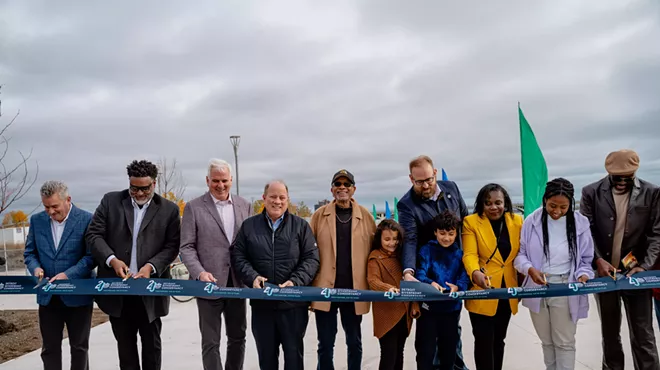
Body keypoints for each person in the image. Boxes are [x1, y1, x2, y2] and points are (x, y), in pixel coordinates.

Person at [86, 160, 181, 370]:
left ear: (154, 184)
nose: (138, 193)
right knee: (125, 350)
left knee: (152, 349)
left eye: (144, 188)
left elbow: (172, 246)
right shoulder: (110, 201)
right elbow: (93, 235)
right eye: (134, 188)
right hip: (118, 290)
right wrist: (112, 259)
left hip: (151, 291)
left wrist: (151, 266)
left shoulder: (169, 210)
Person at [580, 149, 660, 370]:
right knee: (610, 334)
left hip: (637, 274)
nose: (622, 181)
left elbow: (657, 234)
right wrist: (597, 260)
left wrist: (645, 265)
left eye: (628, 177)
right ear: (608, 173)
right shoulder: (590, 192)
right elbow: (586, 232)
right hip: (605, 275)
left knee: (643, 334)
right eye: (617, 177)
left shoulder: (652, 192)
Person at [231, 180, 320, 370]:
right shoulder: (249, 226)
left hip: (293, 306)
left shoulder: (301, 226)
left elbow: (312, 259)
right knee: (267, 359)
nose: (277, 201)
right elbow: (238, 256)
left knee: (294, 359)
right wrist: (252, 277)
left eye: (282, 197)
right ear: (264, 198)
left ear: (288, 200)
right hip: (262, 306)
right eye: (273, 196)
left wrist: (295, 281)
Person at [397, 155, 469, 370]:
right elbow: (410, 239)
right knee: (428, 342)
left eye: (429, 179)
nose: (426, 185)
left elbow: (465, 221)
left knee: (452, 334)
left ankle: (455, 365)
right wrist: (409, 272)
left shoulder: (452, 188)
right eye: (419, 182)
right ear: (411, 179)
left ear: (435, 173)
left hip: (455, 268)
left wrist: (469, 262)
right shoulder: (406, 204)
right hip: (429, 272)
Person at [514, 178, 595, 370]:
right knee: (547, 342)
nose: (557, 211)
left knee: (565, 343)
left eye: (563, 207)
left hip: (565, 286)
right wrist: (529, 270)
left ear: (571, 204)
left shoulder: (580, 223)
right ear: (544, 200)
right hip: (537, 287)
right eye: (552, 205)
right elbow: (520, 256)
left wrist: (583, 274)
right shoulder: (531, 221)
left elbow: (586, 259)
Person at [179, 159, 252, 370]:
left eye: (225, 181)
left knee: (238, 337)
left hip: (237, 284)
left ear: (232, 180)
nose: (220, 185)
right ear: (207, 180)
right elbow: (187, 246)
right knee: (211, 342)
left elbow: (249, 244)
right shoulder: (194, 207)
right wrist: (199, 273)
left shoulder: (244, 205)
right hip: (208, 285)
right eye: (215, 181)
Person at [23, 180, 95, 370]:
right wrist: (36, 269)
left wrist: (68, 275)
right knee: (49, 349)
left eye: (55, 206)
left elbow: (91, 257)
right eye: (46, 207)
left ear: (68, 200)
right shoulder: (37, 221)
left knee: (79, 348)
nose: (51, 212)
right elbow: (30, 253)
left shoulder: (87, 219)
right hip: (47, 296)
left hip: (78, 295)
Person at [309, 169, 376, 370]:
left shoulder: (365, 216)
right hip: (325, 289)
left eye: (347, 184)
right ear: (332, 189)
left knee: (354, 342)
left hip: (354, 291)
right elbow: (308, 251)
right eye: (338, 184)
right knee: (325, 344)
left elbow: (376, 251)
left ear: (353, 189)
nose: (342, 188)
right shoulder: (319, 216)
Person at [462, 183, 523, 370]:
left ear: (506, 203)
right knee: (483, 342)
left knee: (499, 340)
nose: (493, 207)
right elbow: (469, 254)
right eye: (488, 203)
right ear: (481, 204)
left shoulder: (517, 221)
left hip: (507, 291)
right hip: (482, 290)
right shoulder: (471, 222)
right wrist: (475, 273)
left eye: (498, 202)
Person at [415, 210, 470, 370]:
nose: (446, 238)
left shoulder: (459, 254)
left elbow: (464, 276)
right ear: (435, 232)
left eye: (451, 234)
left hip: (451, 310)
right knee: (425, 352)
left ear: (456, 234)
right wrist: (430, 283)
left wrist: (458, 286)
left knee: (449, 354)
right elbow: (420, 273)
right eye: (442, 233)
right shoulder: (426, 250)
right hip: (428, 310)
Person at [367, 219, 419, 370]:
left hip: (404, 312)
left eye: (395, 239)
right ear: (380, 239)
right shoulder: (375, 257)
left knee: (399, 353)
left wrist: (414, 305)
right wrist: (387, 288)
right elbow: (372, 280)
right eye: (387, 239)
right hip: (387, 313)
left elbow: (411, 284)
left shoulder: (402, 257)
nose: (392, 243)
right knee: (388, 355)